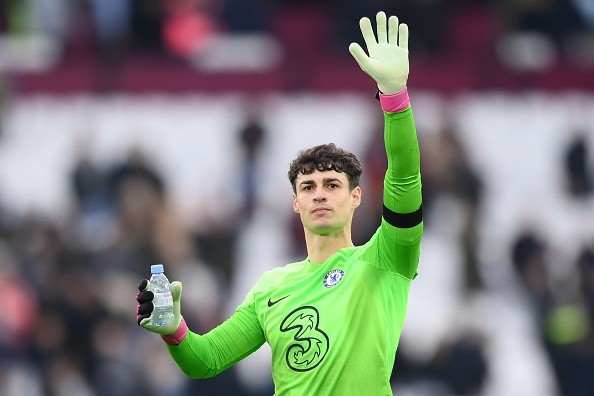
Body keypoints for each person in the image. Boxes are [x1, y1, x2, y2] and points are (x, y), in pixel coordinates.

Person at [136, 11, 423, 395]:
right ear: (295, 203)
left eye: (332, 184)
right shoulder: (271, 288)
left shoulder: (386, 259)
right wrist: (174, 331)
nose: (319, 193)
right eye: (308, 187)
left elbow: (404, 177)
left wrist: (394, 97)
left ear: (356, 197)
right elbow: (206, 360)